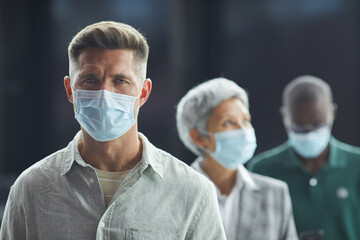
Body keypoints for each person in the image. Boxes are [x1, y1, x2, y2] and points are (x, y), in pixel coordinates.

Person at [0, 21, 226, 239]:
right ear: (70, 90)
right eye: (90, 79)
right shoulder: (31, 188)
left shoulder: (193, 193)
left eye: (120, 80)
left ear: (144, 92)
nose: (104, 94)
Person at [176, 77, 298, 240]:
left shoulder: (275, 194)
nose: (243, 130)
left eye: (246, 121)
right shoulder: (175, 193)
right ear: (198, 137)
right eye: (228, 123)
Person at [248, 75, 360, 240]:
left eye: (318, 125)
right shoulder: (262, 170)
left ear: (333, 112)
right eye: (299, 127)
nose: (309, 134)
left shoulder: (356, 166)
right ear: (284, 116)